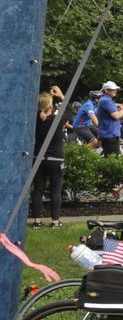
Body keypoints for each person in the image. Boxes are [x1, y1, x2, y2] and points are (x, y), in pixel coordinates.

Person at [31, 92, 66, 228]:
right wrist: (61, 96)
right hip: (55, 158)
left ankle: (37, 221)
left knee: (38, 190)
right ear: (51, 106)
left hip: (38, 158)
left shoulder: (36, 120)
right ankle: (55, 221)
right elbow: (68, 109)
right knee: (55, 190)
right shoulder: (57, 120)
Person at [96, 81, 123, 157]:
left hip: (110, 134)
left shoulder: (106, 100)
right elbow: (116, 115)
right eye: (113, 89)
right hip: (110, 134)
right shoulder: (106, 101)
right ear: (106, 90)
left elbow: (115, 112)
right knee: (111, 159)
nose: (115, 91)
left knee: (110, 157)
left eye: (115, 89)